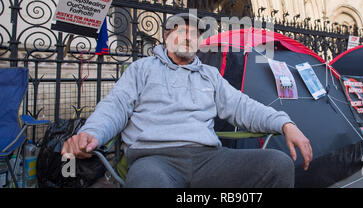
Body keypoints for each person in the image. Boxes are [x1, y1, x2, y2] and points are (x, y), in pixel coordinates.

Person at [62, 13, 313, 188]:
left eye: (194, 34)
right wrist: (92, 133)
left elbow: (242, 106)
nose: (188, 37)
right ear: (167, 36)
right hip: (154, 159)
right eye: (181, 31)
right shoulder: (142, 69)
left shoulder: (210, 75)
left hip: (208, 159)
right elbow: (115, 106)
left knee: (277, 164)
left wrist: (285, 124)